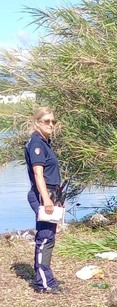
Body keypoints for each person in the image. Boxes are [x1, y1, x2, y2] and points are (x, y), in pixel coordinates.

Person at [24, 107, 65, 294]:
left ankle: (46, 278)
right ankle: (44, 284)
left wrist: (56, 198)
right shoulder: (36, 143)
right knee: (45, 237)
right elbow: (38, 174)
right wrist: (47, 200)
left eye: (53, 121)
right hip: (43, 194)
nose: (50, 125)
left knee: (49, 236)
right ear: (37, 123)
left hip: (51, 194)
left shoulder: (45, 142)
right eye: (46, 121)